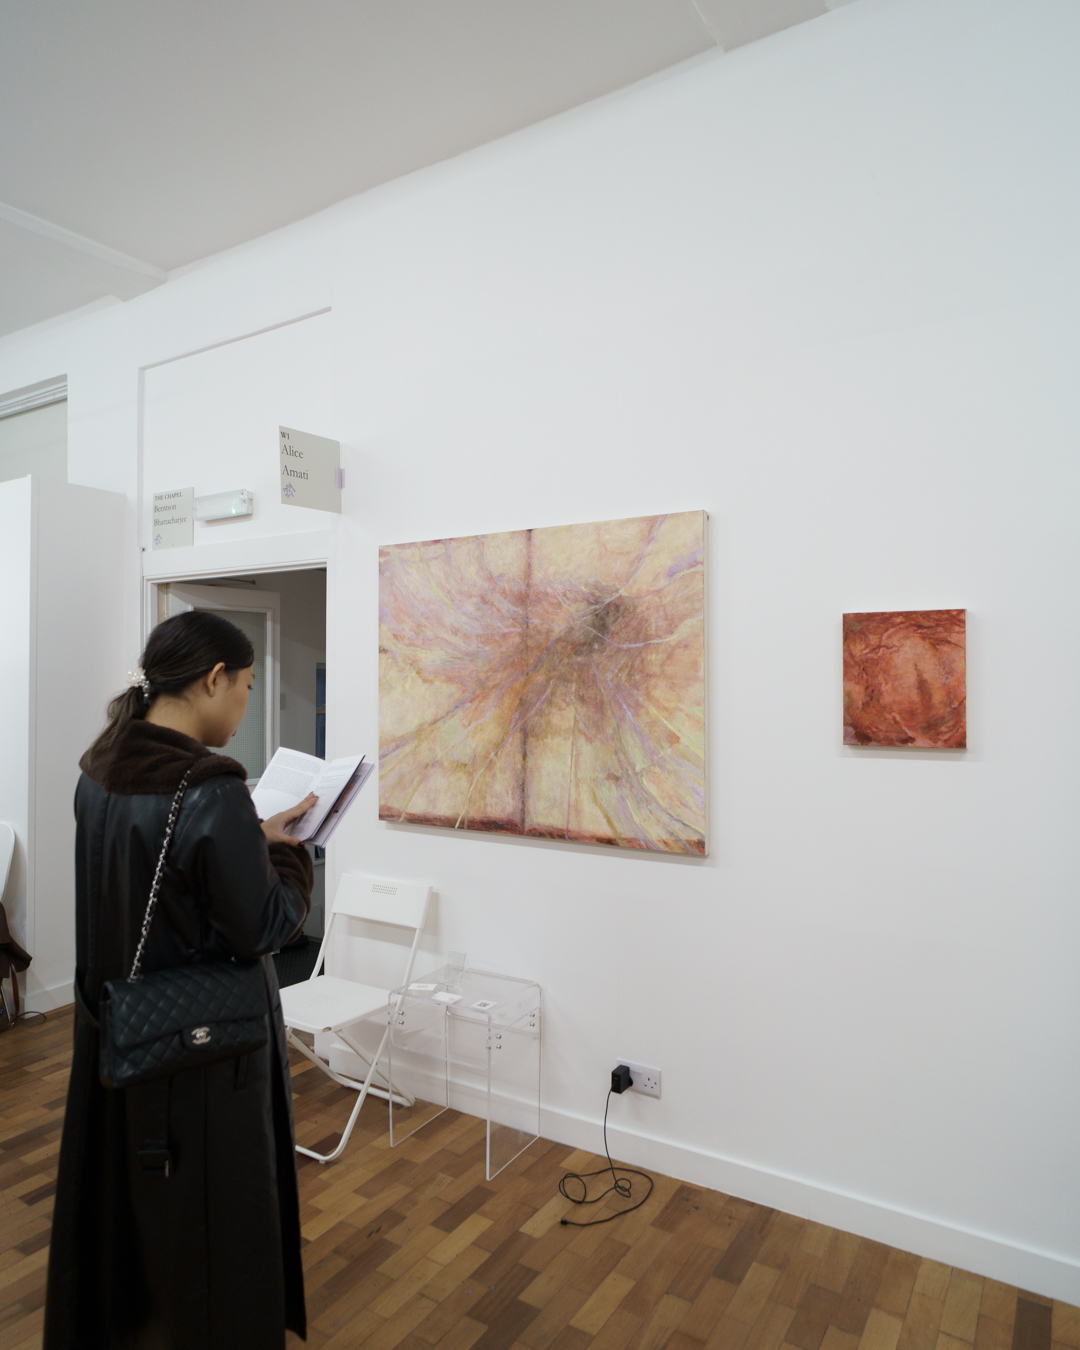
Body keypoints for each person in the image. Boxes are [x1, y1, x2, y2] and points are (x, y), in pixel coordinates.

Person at [44, 611, 318, 1349]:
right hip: (197, 1055)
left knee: (127, 1222)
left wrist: (248, 838)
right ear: (213, 679)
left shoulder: (101, 767)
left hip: (117, 1032)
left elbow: (158, 878)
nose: (246, 705)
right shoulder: (208, 786)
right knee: (208, 1233)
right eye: (247, 687)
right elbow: (263, 926)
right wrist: (291, 854)